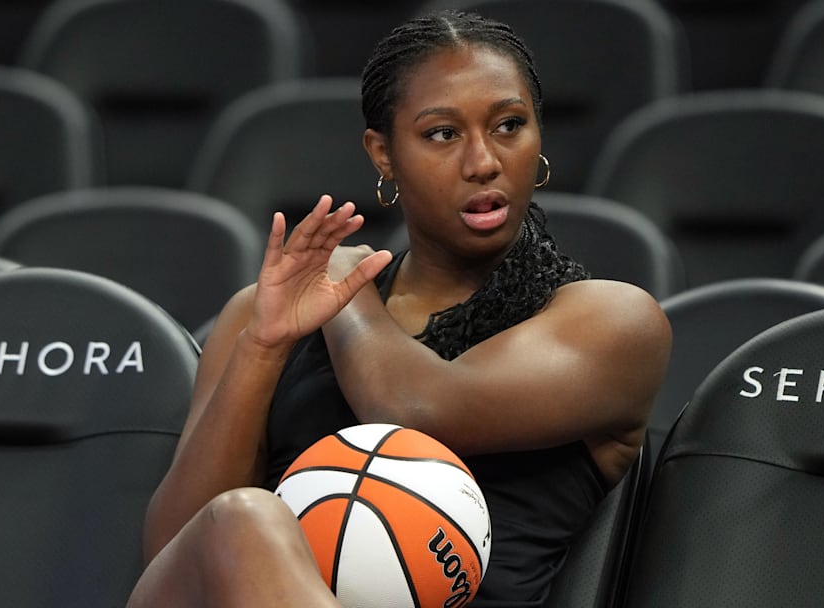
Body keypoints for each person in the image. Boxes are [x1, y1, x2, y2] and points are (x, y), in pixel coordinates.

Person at [127, 9, 671, 607]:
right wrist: (265, 346)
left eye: (510, 125)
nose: (483, 161)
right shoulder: (262, 315)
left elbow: (412, 414)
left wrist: (348, 292)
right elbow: (177, 551)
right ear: (384, 155)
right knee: (239, 521)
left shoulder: (614, 322)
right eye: (443, 133)